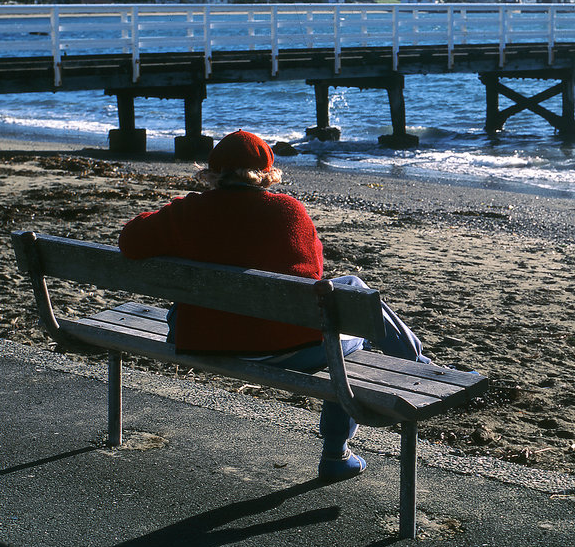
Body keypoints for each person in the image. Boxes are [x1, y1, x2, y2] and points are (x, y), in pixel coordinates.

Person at [118, 130, 429, 481]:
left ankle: (413, 363)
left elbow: (129, 241)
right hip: (288, 351)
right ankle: (341, 447)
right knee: (347, 326)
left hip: (203, 340)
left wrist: (178, 213)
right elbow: (314, 274)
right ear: (266, 173)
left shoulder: (187, 211)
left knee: (350, 292)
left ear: (212, 173)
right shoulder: (288, 210)